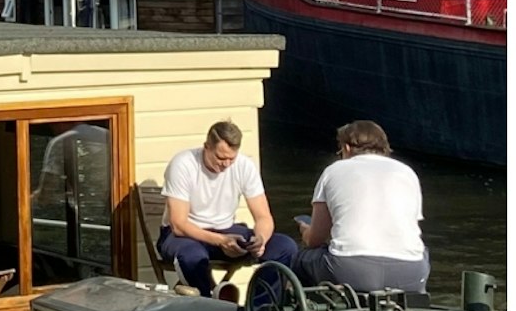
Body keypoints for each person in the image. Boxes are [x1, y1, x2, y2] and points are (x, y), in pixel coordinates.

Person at [286, 120, 429, 297]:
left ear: (346, 148)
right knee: (420, 250)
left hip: (351, 270)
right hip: (410, 273)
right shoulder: (407, 173)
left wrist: (305, 230)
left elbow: (315, 239)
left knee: (300, 260)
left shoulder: (334, 170)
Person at [157, 120, 297, 291]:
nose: (226, 164)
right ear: (206, 147)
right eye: (220, 157)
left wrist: (260, 239)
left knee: (285, 247)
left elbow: (263, 217)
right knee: (192, 257)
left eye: (232, 158)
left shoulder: (244, 165)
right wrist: (221, 241)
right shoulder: (183, 164)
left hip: (226, 231)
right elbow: (179, 225)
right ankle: (212, 303)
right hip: (185, 236)